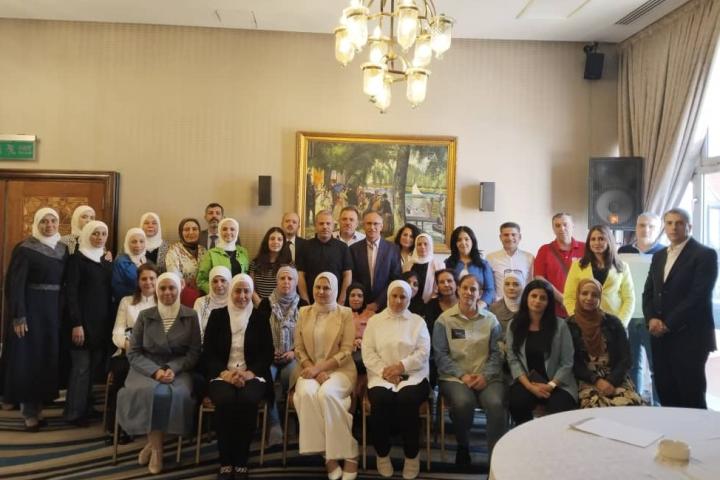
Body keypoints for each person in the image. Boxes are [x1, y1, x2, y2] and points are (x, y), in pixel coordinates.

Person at [117, 272, 201, 475]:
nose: (167, 292)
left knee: (171, 395)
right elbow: (134, 352)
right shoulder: (145, 316)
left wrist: (172, 368)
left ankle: (153, 444)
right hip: (145, 368)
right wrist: (155, 372)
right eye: (162, 288)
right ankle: (157, 449)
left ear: (179, 289)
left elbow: (194, 352)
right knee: (148, 393)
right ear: (156, 290)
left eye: (171, 287)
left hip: (178, 369)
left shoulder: (190, 315)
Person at [643, 208, 718, 409]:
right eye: (669, 223)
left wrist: (667, 324)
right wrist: (651, 318)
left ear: (689, 226)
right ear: (664, 227)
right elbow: (648, 292)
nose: (674, 227)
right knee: (666, 392)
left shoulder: (705, 255)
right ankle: (672, 439)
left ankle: (698, 440)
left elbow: (698, 297)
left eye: (679, 223)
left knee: (691, 396)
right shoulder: (659, 256)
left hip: (690, 337)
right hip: (659, 336)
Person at [203, 273, 274, 480]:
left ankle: (241, 459)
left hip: (252, 374)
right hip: (222, 374)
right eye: (238, 291)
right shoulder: (217, 316)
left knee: (247, 400)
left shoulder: (260, 318)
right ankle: (226, 460)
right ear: (230, 291)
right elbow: (208, 353)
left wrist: (249, 372)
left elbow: (267, 353)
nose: (242, 296)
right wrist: (225, 374)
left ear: (252, 293)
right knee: (225, 401)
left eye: (246, 291)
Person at [3, 208, 68, 431]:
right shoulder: (24, 249)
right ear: (36, 224)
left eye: (53, 221)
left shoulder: (62, 248)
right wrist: (18, 315)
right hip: (31, 309)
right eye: (44, 221)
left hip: (52, 311)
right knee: (28, 361)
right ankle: (29, 413)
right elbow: (15, 284)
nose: (49, 225)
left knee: (45, 360)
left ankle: (39, 409)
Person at [433, 274, 506, 464]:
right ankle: (463, 444)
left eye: (473, 289)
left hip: (487, 376)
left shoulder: (491, 320)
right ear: (458, 290)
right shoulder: (444, 320)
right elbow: (440, 355)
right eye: (464, 288)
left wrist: (485, 375)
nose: (468, 292)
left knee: (497, 404)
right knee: (463, 403)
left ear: (480, 293)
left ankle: (497, 458)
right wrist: (462, 375)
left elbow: (497, 353)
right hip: (455, 377)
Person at [292, 272, 358, 480]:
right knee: (305, 395)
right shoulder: (304, 312)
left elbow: (347, 350)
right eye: (317, 287)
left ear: (335, 289)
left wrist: (320, 369)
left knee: (327, 395)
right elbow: (298, 348)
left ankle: (349, 452)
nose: (321, 292)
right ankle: (328, 457)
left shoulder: (345, 313)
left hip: (340, 370)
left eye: (326, 288)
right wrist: (312, 369)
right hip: (308, 369)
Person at [362, 280, 430, 479]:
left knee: (407, 399)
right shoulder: (375, 321)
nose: (398, 301)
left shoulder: (418, 321)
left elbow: (423, 352)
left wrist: (401, 367)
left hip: (414, 375)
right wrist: (386, 372)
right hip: (381, 375)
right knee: (381, 400)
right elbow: (368, 352)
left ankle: (412, 455)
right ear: (389, 296)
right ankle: (382, 454)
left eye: (403, 297)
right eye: (395, 296)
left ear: (409, 299)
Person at [506, 280, 577, 425]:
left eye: (543, 298)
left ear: (548, 302)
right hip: (527, 381)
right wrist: (530, 386)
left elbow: (567, 362)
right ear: (526, 297)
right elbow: (513, 359)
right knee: (517, 403)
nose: (537, 301)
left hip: (558, 383)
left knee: (561, 410)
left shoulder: (560, 325)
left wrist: (550, 385)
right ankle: (526, 440)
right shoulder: (514, 325)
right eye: (534, 296)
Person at [63, 221, 113, 427]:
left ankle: (85, 406)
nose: (99, 238)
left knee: (92, 369)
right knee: (81, 369)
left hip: (101, 324)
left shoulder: (106, 261)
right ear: (86, 235)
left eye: (103, 234)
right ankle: (74, 412)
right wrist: (76, 323)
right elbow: (71, 293)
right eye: (95, 234)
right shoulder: (77, 260)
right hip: (81, 323)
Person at [567, 279, 642, 408]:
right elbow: (571, 363)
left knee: (631, 406)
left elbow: (626, 359)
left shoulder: (613, 323)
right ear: (578, 295)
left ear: (600, 298)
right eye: (584, 293)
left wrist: (611, 381)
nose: (589, 298)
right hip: (586, 379)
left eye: (595, 295)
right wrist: (596, 380)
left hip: (616, 378)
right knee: (595, 408)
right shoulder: (569, 325)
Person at [618, 212, 664, 405]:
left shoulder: (664, 253)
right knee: (632, 367)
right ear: (635, 227)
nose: (645, 229)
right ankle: (635, 405)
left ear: (658, 228)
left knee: (657, 367)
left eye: (651, 226)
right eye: (642, 225)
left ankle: (659, 407)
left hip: (652, 318)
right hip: (627, 316)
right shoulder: (623, 251)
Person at [107, 263, 158, 436]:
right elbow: (117, 331)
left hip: (153, 355)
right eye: (144, 278)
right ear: (137, 281)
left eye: (152, 278)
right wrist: (128, 345)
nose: (148, 282)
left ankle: (144, 424)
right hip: (127, 351)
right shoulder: (126, 301)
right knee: (122, 374)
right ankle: (117, 427)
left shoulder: (164, 302)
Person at [258, 266, 306, 445]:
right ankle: (275, 423)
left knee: (292, 379)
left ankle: (290, 417)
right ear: (276, 282)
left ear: (295, 282)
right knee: (266, 379)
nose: (286, 282)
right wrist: (269, 353)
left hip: (294, 357)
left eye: (290, 279)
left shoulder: (304, 306)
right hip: (269, 357)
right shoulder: (265, 304)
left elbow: (307, 337)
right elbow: (259, 334)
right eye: (282, 278)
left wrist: (293, 353)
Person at [563, 225, 635, 326]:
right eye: (593, 239)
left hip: (614, 322)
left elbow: (629, 299)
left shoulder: (622, 267)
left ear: (609, 241)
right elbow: (569, 297)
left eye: (601, 239)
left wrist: (621, 324)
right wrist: (578, 319)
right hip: (585, 323)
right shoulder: (577, 266)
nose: (597, 243)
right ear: (589, 243)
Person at [534, 213, 586, 317]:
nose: (562, 228)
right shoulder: (545, 250)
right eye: (557, 225)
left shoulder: (585, 248)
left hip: (582, 308)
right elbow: (539, 278)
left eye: (565, 224)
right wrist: (562, 298)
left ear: (573, 226)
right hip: (554, 310)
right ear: (553, 229)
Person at [296, 210, 353, 305]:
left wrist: (341, 301)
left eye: (328, 223)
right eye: (321, 223)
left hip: (336, 302)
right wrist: (305, 301)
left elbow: (347, 275)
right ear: (316, 226)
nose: (325, 226)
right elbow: (300, 275)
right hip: (311, 301)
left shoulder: (342, 247)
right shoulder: (305, 246)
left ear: (333, 226)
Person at [350, 211, 402, 313]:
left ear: (381, 226)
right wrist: (361, 300)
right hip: (360, 305)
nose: (372, 227)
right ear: (363, 225)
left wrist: (378, 303)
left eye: (375, 224)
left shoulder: (393, 249)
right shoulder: (353, 249)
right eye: (368, 223)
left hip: (385, 305)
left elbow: (395, 279)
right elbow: (353, 277)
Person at [444, 226, 495, 308]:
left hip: (479, 310)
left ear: (472, 241)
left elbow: (490, 290)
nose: (463, 243)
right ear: (455, 243)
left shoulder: (484, 264)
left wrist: (478, 306)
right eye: (459, 240)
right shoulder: (447, 264)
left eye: (466, 239)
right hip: (454, 309)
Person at [196, 218, 250, 294]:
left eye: (232, 229)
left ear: (237, 232)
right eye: (224, 229)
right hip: (218, 299)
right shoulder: (211, 253)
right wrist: (216, 292)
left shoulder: (243, 252)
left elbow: (247, 276)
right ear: (219, 231)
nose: (228, 232)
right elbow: (201, 281)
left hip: (239, 298)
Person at [486, 222, 534, 301]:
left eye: (513, 234)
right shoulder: (490, 258)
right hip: (500, 305)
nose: (510, 238)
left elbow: (531, 283)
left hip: (523, 304)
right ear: (500, 237)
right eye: (506, 235)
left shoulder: (529, 258)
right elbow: (489, 286)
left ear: (519, 237)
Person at [165, 217, 207, 307]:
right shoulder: (173, 250)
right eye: (186, 229)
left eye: (195, 229)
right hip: (184, 297)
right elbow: (174, 276)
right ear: (181, 232)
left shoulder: (203, 250)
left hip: (204, 297)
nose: (191, 232)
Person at [249, 226, 292, 305]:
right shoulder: (255, 263)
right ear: (267, 241)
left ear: (283, 243)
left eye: (279, 239)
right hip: (259, 306)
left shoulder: (289, 264)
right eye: (272, 239)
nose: (275, 242)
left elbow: (290, 289)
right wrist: (260, 304)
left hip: (281, 308)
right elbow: (251, 287)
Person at [404, 233, 445, 304]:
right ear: (415, 247)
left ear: (431, 246)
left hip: (431, 303)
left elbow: (439, 288)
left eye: (425, 244)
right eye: (419, 244)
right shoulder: (408, 265)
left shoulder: (439, 265)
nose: (422, 247)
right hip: (409, 303)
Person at [193, 266, 232, 339]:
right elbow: (196, 331)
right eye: (215, 281)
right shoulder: (200, 302)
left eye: (223, 280)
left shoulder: (235, 303)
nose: (219, 285)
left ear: (229, 282)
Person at [346, 282, 373, 382]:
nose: (356, 299)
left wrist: (364, 342)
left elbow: (376, 337)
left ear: (364, 298)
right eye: (352, 295)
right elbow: (337, 337)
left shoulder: (372, 315)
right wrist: (352, 342)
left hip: (367, 350)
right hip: (347, 350)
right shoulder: (342, 314)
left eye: (360, 296)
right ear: (347, 297)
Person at [112, 228, 148, 301]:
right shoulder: (120, 262)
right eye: (134, 242)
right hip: (128, 303)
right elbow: (117, 288)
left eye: (141, 241)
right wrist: (139, 295)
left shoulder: (145, 260)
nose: (138, 245)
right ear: (127, 243)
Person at [489, 270, 524, 337]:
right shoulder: (494, 309)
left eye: (516, 284)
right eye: (507, 284)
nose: (511, 288)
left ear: (522, 286)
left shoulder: (529, 307)